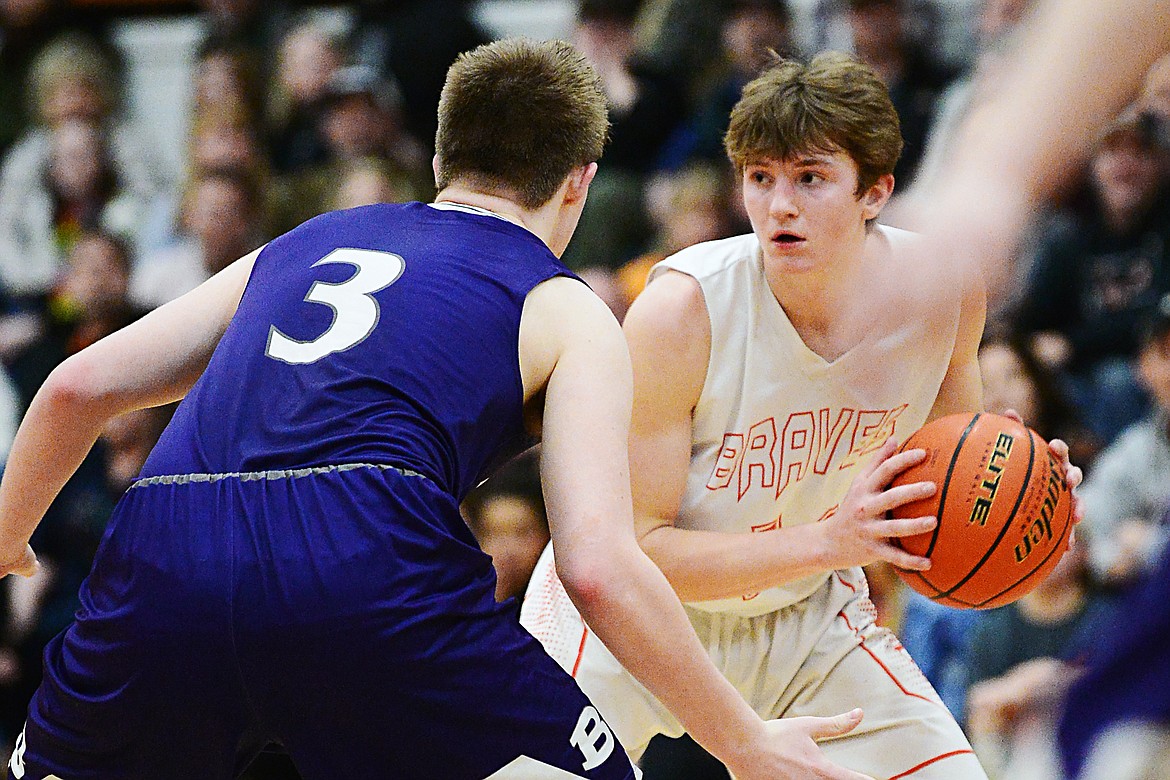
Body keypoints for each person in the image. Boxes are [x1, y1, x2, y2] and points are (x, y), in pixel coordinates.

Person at [0, 38, 874, 780]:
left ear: (438, 160)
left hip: (164, 543)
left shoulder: (305, 241)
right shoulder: (563, 305)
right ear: (580, 183)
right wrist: (744, 740)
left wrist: (5, 537)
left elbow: (76, 388)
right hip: (362, 551)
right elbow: (598, 566)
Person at [521, 51, 1083, 779]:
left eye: (810, 178)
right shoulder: (681, 311)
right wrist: (827, 542)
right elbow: (635, 553)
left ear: (874, 192)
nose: (779, 204)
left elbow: (939, 505)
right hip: (626, 624)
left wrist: (1027, 493)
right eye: (761, 178)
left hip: (803, 619)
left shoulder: (943, 291)